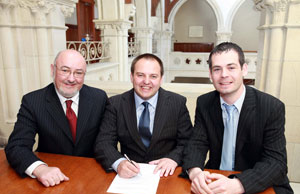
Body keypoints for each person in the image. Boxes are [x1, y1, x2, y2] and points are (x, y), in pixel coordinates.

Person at [182, 42, 293, 194]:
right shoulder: (204, 103)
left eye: (231, 67)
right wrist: (195, 172)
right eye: (217, 69)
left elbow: (276, 162)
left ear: (244, 69)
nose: (224, 75)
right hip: (215, 179)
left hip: (257, 183)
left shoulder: (271, 107)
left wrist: (238, 184)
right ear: (210, 73)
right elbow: (197, 143)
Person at [5, 49, 108, 187]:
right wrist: (40, 169)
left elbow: (106, 141)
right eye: (65, 70)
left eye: (78, 73)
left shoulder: (99, 98)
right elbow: (16, 146)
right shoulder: (33, 102)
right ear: (53, 70)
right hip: (51, 176)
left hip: (91, 177)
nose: (71, 79)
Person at [94, 53, 193, 178]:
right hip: (129, 176)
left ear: (161, 79)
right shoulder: (115, 104)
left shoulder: (177, 103)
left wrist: (173, 159)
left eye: (153, 76)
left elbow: (188, 141)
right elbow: (104, 142)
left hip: (166, 175)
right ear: (132, 77)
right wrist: (118, 163)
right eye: (140, 75)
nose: (146, 82)